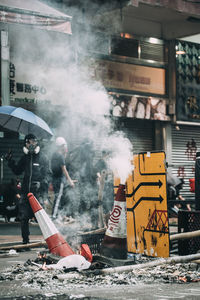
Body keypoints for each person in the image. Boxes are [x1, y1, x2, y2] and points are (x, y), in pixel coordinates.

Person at [6, 134, 49, 244]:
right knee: (24, 217)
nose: (31, 144)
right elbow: (17, 171)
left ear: (36, 143)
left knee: (42, 219)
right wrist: (10, 161)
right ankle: (26, 241)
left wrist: (43, 190)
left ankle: (48, 242)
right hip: (25, 194)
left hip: (37, 195)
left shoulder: (42, 157)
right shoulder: (24, 158)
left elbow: (47, 175)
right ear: (25, 144)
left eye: (33, 141)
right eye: (28, 142)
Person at [50, 137, 76, 220]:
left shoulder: (54, 155)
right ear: (62, 146)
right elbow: (64, 170)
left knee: (58, 197)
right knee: (58, 198)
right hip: (59, 180)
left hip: (54, 179)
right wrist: (70, 181)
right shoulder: (60, 156)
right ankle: (54, 216)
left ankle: (58, 215)